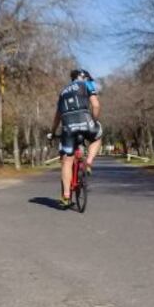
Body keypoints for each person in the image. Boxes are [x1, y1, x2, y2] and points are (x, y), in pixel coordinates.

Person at [48, 69, 103, 208]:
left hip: (68, 126)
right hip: (85, 121)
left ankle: (66, 196)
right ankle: (89, 162)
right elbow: (96, 105)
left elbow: (57, 116)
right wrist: (95, 120)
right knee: (97, 137)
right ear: (84, 77)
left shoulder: (63, 92)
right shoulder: (87, 85)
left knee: (67, 161)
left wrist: (52, 132)